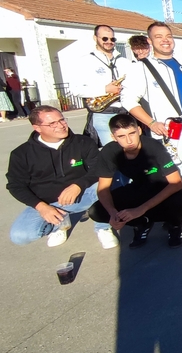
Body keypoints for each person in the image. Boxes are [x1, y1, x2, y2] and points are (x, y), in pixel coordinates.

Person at [121, 22, 182, 202]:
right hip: (172, 129)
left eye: (168, 36)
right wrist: (152, 123)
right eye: (158, 37)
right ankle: (176, 212)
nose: (165, 40)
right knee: (174, 172)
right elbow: (127, 100)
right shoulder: (141, 68)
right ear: (150, 41)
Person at [7, 106, 113, 248]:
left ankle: (103, 227)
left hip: (82, 195)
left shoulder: (83, 142)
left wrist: (78, 185)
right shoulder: (21, 154)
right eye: (52, 124)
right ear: (37, 128)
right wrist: (42, 207)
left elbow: (98, 168)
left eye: (62, 120)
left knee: (105, 185)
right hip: (46, 202)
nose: (61, 125)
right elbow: (16, 186)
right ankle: (58, 225)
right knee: (20, 236)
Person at [88, 114, 182, 248]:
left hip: (164, 189)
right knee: (96, 211)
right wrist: (112, 213)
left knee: (177, 199)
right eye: (121, 136)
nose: (129, 140)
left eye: (132, 133)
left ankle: (174, 225)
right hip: (140, 188)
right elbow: (103, 188)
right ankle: (141, 222)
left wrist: (141, 209)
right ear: (113, 137)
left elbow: (176, 183)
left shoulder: (154, 148)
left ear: (139, 131)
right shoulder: (109, 151)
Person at [71, 25, 132, 145]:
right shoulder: (85, 61)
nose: (109, 42)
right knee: (113, 153)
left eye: (112, 39)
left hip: (126, 112)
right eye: (105, 38)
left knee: (131, 152)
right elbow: (75, 90)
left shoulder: (125, 62)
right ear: (95, 38)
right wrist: (105, 89)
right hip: (103, 114)